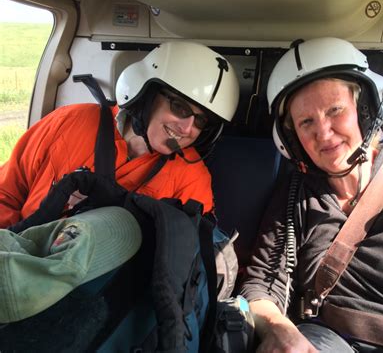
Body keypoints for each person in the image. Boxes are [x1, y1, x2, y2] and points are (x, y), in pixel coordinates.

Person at [239, 37, 383, 352]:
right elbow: (262, 283)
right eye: (306, 121)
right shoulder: (296, 194)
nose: (323, 132)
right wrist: (280, 331)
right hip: (329, 340)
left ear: (364, 111)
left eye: (335, 110)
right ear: (292, 139)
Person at [0, 41, 239, 228]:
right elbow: (6, 194)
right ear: (147, 94)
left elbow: (187, 252)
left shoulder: (191, 177)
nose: (187, 128)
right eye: (180, 107)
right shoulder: (68, 121)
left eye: (200, 120)